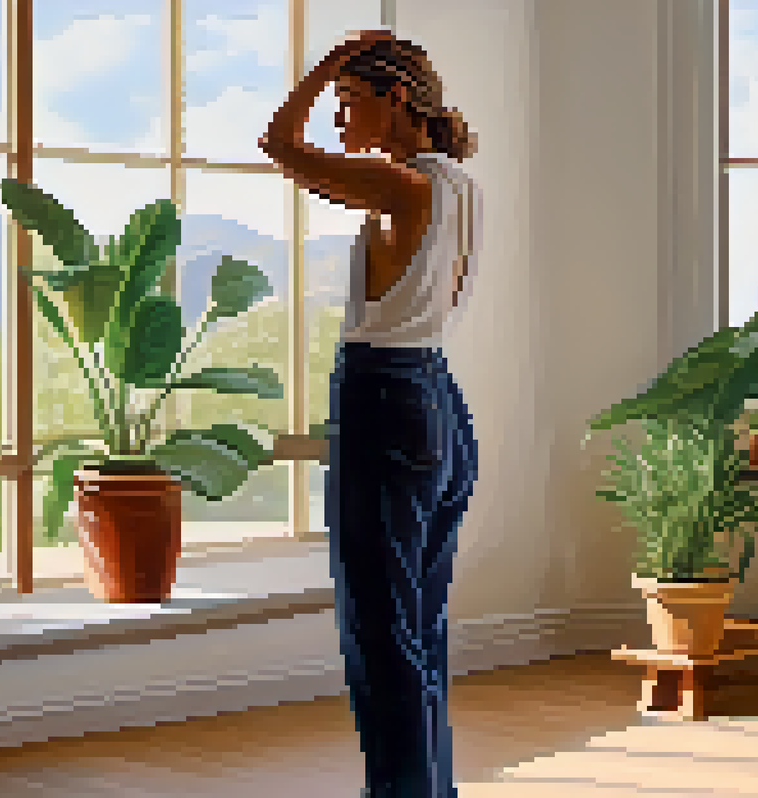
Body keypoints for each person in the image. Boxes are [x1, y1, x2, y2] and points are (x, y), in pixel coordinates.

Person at [259, 29, 480, 798]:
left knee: (378, 633)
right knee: (419, 630)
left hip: (383, 393)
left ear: (396, 100)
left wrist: (328, 59)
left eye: (350, 103)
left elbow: (278, 143)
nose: (337, 121)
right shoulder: (458, 183)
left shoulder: (406, 187)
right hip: (437, 397)